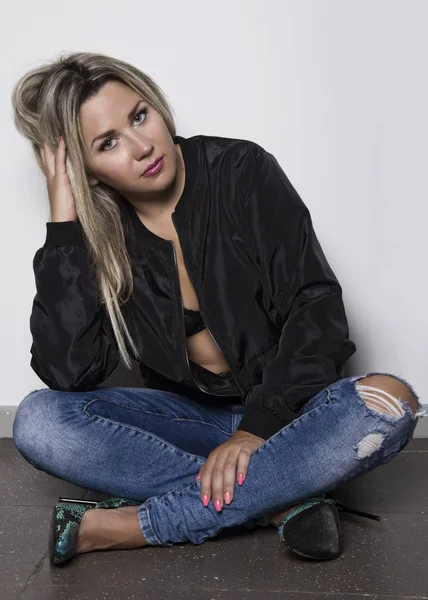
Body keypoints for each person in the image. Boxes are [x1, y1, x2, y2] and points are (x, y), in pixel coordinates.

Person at [10, 51, 426, 566]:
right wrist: (65, 226)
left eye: (139, 116)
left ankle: (138, 524)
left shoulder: (241, 170)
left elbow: (315, 308)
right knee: (37, 422)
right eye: (108, 143)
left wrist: (258, 429)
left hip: (292, 412)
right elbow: (69, 373)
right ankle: (279, 496)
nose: (142, 147)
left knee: (391, 400)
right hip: (192, 422)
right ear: (86, 170)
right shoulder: (100, 234)